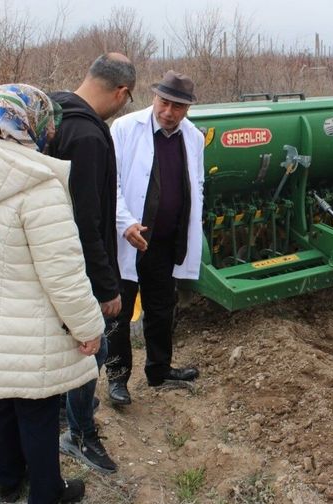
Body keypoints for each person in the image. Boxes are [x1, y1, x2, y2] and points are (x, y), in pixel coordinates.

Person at [0, 83, 104, 503]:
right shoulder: (37, 186)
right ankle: (48, 492)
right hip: (28, 328)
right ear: (31, 123)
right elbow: (63, 274)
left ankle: (7, 480)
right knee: (37, 409)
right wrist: (89, 327)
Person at [48, 52, 136, 475]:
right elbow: (88, 219)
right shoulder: (87, 136)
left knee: (68, 346)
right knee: (92, 350)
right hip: (75, 263)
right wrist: (107, 287)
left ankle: (66, 412)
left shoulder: (53, 109)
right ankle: (79, 432)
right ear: (121, 92)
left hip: (48, 257)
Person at [107, 70, 205, 401]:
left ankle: (159, 370)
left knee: (162, 306)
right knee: (119, 310)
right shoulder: (124, 129)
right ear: (154, 98)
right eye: (164, 102)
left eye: (178, 107)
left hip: (165, 240)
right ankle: (118, 378)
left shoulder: (192, 137)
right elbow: (112, 184)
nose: (168, 112)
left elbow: (197, 184)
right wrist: (125, 223)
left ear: (187, 108)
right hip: (129, 238)